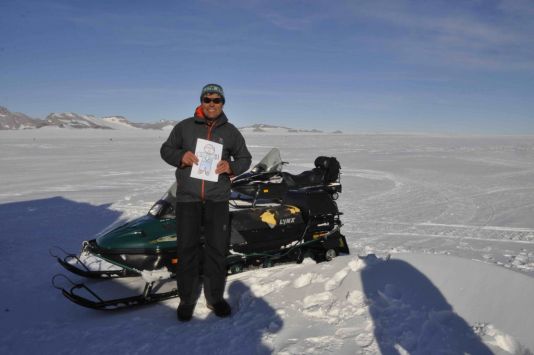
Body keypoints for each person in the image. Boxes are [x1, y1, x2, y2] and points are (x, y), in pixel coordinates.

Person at [160, 84, 251, 321]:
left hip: (217, 199)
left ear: (223, 103)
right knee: (187, 250)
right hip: (188, 200)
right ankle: (186, 300)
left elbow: (245, 158)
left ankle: (215, 299)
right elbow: (166, 149)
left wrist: (231, 167)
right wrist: (180, 156)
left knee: (216, 251)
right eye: (207, 99)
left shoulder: (231, 132)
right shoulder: (184, 127)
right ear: (201, 101)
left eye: (217, 100)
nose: (212, 103)